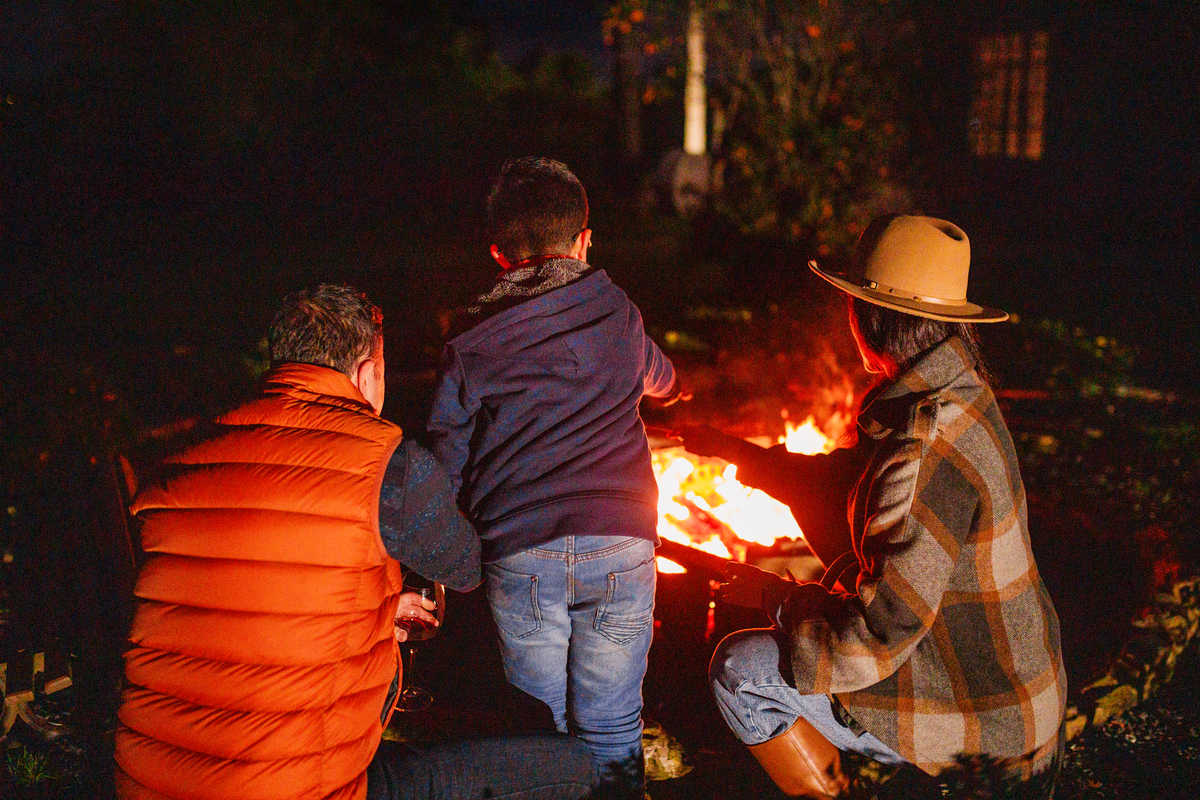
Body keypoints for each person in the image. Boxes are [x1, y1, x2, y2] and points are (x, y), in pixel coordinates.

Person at [113, 284, 596, 800]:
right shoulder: (388, 463)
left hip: (147, 783)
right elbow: (463, 566)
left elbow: (245, 603)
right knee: (571, 766)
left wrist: (378, 610)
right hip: (298, 790)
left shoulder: (186, 459)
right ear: (367, 374)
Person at [681, 215, 1067, 797]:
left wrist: (775, 597)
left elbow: (878, 635)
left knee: (742, 670)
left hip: (988, 729)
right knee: (836, 578)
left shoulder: (924, 445)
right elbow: (838, 489)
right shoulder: (957, 391)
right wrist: (737, 452)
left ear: (870, 316)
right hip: (1008, 689)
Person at [426, 157, 688, 798]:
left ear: (498, 254)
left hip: (521, 553)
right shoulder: (619, 314)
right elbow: (662, 379)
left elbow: (445, 452)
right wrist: (671, 388)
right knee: (613, 723)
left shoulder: (472, 339)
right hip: (620, 542)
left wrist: (433, 556)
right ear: (584, 240)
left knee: (534, 732)